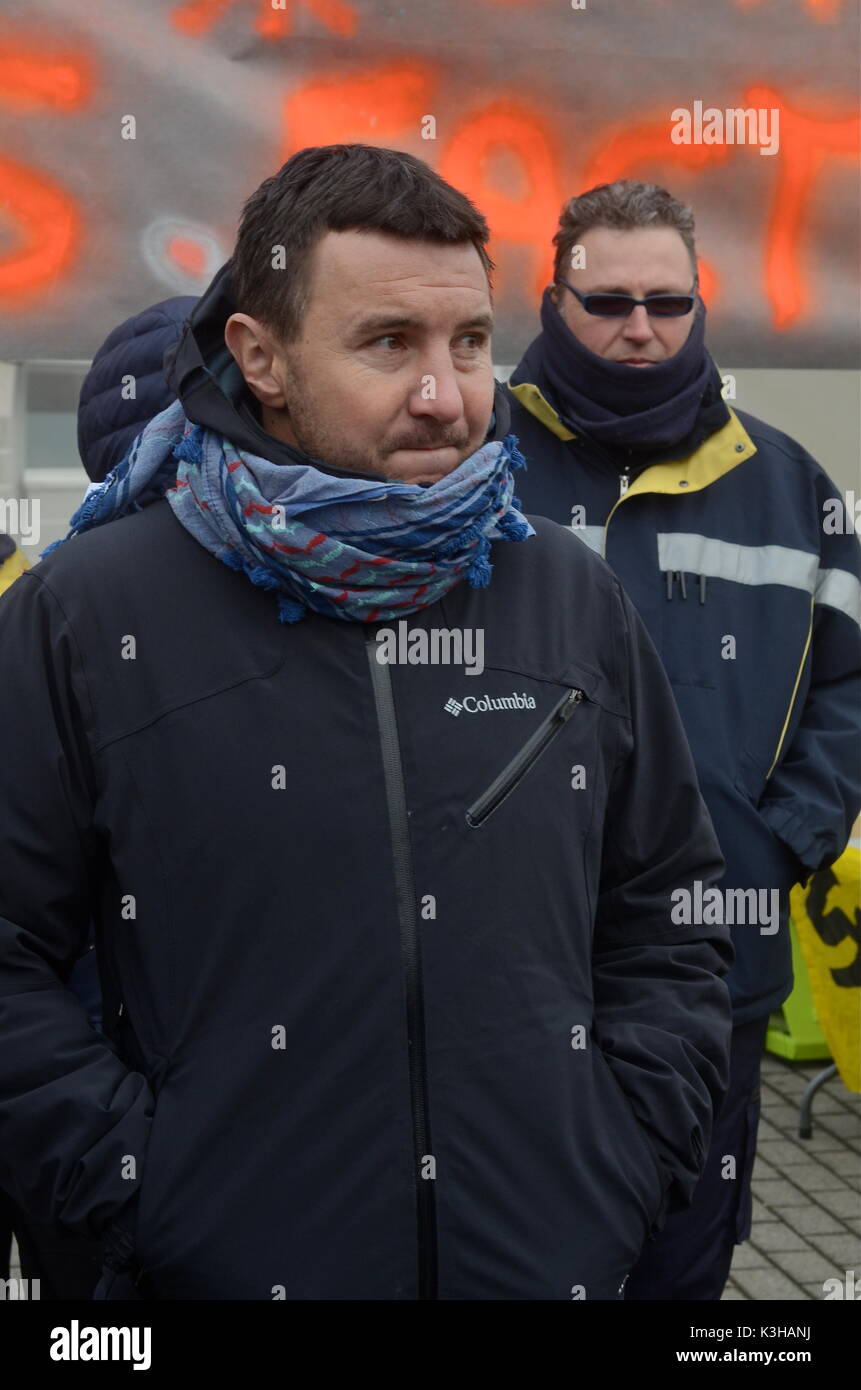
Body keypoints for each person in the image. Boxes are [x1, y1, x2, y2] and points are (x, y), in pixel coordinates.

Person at [0, 146, 733, 1301]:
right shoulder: (88, 615)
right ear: (262, 355)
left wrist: (623, 1155)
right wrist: (142, 1188)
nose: (447, 394)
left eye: (472, 344)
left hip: (545, 1265)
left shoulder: (569, 597)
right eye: (390, 343)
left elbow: (670, 912)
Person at [504, 178, 861, 1300]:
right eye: (607, 302)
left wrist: (779, 840)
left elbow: (849, 694)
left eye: (669, 301)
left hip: (719, 960)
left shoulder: (792, 485)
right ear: (551, 297)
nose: (640, 329)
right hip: (502, 964)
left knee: (681, 1259)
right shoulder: (468, 461)